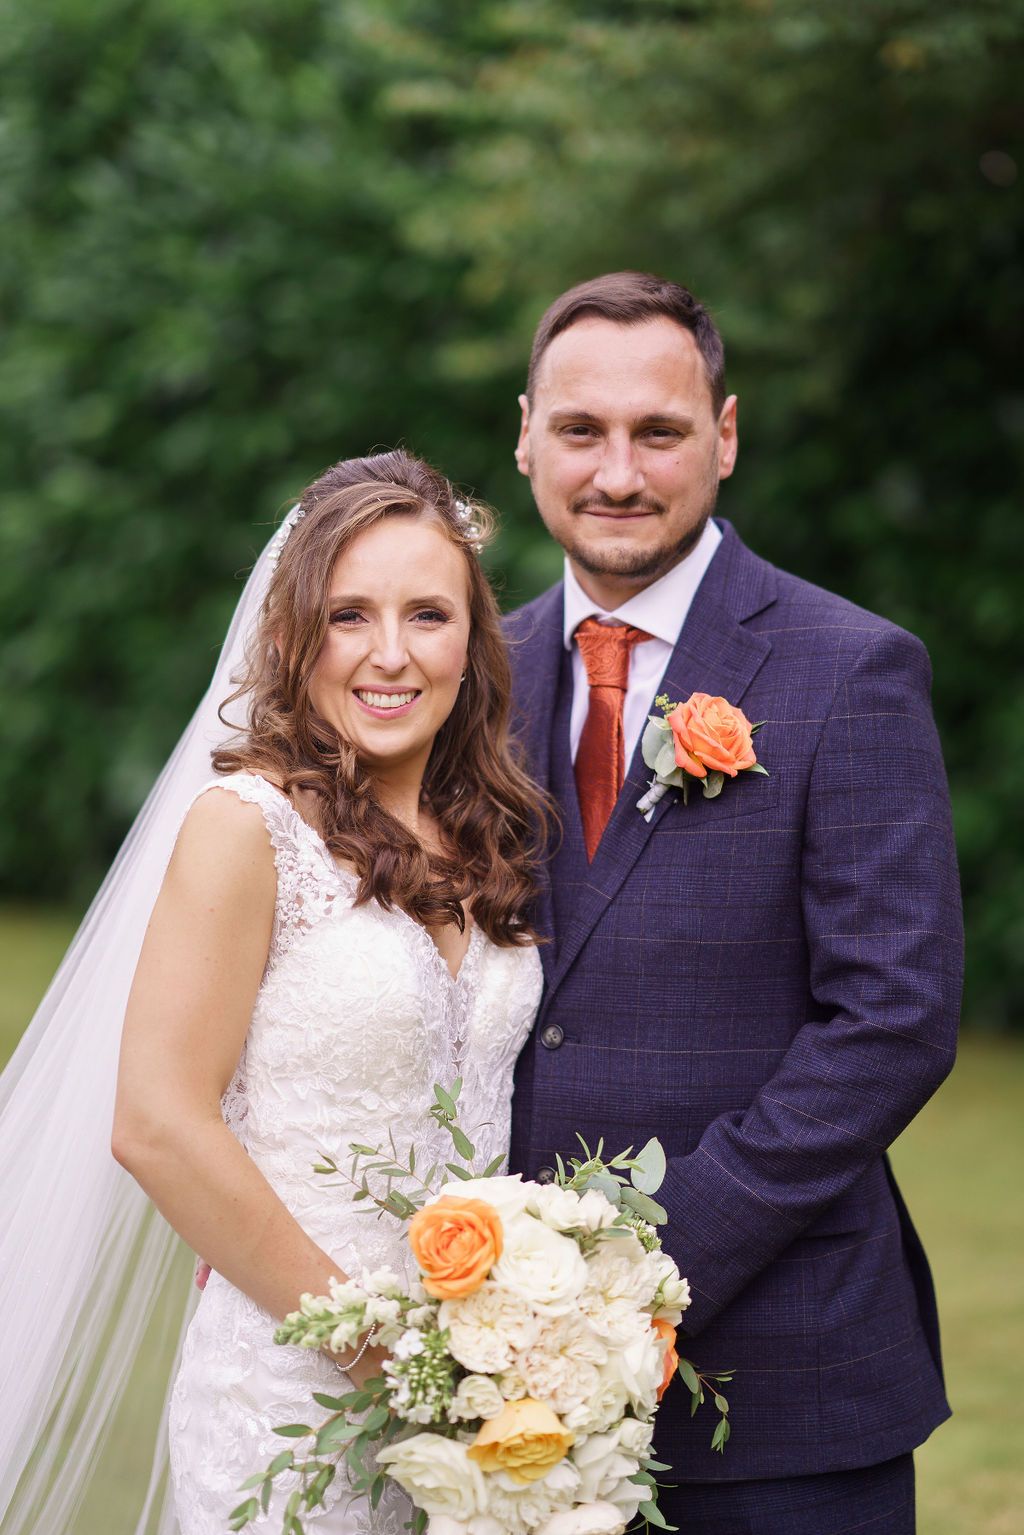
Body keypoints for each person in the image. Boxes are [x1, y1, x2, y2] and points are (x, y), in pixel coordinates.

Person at [0, 451, 545, 1535]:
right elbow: (157, 1121)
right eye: (349, 615)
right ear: (294, 636)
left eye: (427, 615)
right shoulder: (246, 829)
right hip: (291, 1395)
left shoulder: (491, 836)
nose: (390, 653)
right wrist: (375, 1349)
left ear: (470, 643)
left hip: (480, 1397)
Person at [505, 271, 963, 1535]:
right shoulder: (467, 674)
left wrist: (645, 1257)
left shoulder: (847, 667)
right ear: (526, 433)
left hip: (782, 1381)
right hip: (499, 1380)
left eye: (658, 431)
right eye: (581, 430)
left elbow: (893, 1019)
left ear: (725, 434)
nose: (616, 470)